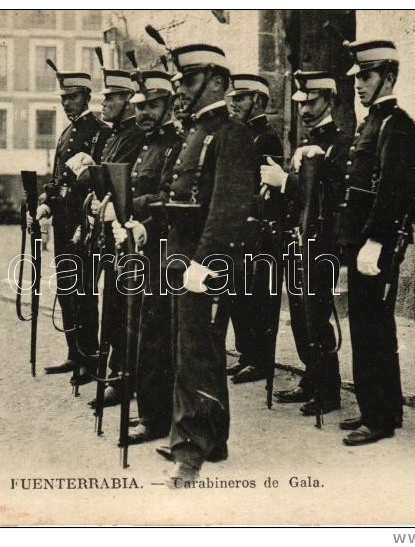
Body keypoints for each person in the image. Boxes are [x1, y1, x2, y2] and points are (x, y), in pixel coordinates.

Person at [159, 44, 257, 485]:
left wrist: (205, 261)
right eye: (180, 81)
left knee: (199, 351)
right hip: (185, 255)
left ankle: (191, 449)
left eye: (189, 80)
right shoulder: (194, 132)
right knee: (194, 349)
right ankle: (210, 439)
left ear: (216, 80)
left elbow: (228, 205)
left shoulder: (231, 133)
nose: (181, 90)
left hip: (206, 259)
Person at [336, 39, 415, 445]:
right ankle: (385, 409)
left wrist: (375, 241)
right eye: (357, 78)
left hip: (377, 244)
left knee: (372, 330)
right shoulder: (372, 121)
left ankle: (379, 418)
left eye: (366, 77)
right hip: (363, 241)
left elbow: (394, 189)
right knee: (369, 327)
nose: (359, 85)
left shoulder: (396, 124)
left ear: (388, 76)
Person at [261, 71, 350, 417]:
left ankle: (328, 390)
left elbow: (329, 197)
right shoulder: (305, 143)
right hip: (297, 240)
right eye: (300, 104)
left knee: (316, 315)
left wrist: (286, 182)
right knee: (299, 315)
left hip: (321, 243)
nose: (304, 110)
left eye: (312, 103)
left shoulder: (340, 144)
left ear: (329, 101)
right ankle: (311, 378)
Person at [112, 69, 183, 443]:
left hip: (162, 250)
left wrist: (130, 207)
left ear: (169, 105)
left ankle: (154, 419)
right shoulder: (145, 145)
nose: (144, 113)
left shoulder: (175, 145)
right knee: (138, 328)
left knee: (156, 336)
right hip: (138, 249)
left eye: (153, 105)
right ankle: (148, 410)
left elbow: (168, 198)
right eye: (140, 106)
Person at [71, 65, 144, 407]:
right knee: (111, 307)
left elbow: (119, 187)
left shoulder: (132, 137)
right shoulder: (114, 135)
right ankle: (114, 371)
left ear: (129, 100)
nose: (105, 103)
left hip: (125, 233)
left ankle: (121, 375)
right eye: (104, 97)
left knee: (122, 311)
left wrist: (92, 176)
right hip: (106, 231)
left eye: (112, 97)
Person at [34, 67, 109, 385]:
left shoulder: (98, 131)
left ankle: (90, 361)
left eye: (73, 97)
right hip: (64, 224)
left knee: (84, 291)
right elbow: (56, 178)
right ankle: (74, 353)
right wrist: (46, 201)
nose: (67, 103)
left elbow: (100, 179)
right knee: (67, 288)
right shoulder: (66, 134)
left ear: (87, 97)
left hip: (84, 223)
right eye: (64, 98)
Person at [225, 73, 285, 386]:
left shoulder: (266, 138)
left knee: (259, 298)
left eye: (240, 98)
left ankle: (261, 360)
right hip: (239, 229)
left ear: (258, 101)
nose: (233, 103)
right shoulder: (240, 134)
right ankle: (247, 355)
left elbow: (266, 189)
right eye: (232, 98)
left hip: (258, 231)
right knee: (239, 297)